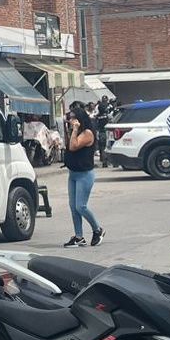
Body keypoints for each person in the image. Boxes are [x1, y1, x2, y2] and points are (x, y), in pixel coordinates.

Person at [63, 105, 105, 248]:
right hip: (73, 174)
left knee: (81, 206)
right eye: (70, 118)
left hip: (84, 175)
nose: (71, 121)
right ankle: (79, 237)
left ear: (80, 119)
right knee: (73, 207)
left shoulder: (87, 133)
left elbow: (73, 146)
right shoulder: (75, 132)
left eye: (73, 118)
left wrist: (75, 129)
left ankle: (97, 229)